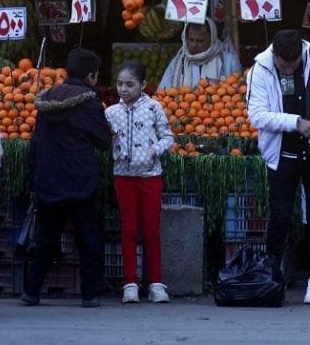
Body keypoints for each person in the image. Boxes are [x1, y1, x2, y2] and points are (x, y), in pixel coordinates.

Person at [247, 29, 310, 305]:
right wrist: (295, 123)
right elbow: (256, 115)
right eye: (284, 66)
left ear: (301, 54)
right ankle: (271, 278)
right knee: (279, 217)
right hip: (282, 155)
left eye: (294, 66)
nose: (289, 69)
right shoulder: (260, 69)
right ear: (275, 56)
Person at [21, 48, 112, 308]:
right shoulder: (90, 103)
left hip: (48, 178)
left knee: (46, 237)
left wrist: (33, 176)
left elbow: (36, 142)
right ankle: (89, 294)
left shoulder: (47, 98)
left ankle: (31, 291)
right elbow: (103, 142)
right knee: (87, 238)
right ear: (92, 76)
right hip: (80, 180)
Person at [106, 60, 173, 304]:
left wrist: (154, 151)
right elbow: (106, 139)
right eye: (120, 84)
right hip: (123, 176)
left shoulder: (154, 108)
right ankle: (130, 283)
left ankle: (155, 282)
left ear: (143, 85)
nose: (123, 89)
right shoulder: (111, 112)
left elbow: (168, 137)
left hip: (150, 176)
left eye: (129, 84)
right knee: (129, 229)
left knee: (152, 230)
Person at [157, 17, 241, 89]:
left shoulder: (229, 61)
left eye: (200, 41)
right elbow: (163, 91)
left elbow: (237, 92)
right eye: (191, 39)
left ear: (211, 39)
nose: (194, 45)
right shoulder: (177, 62)